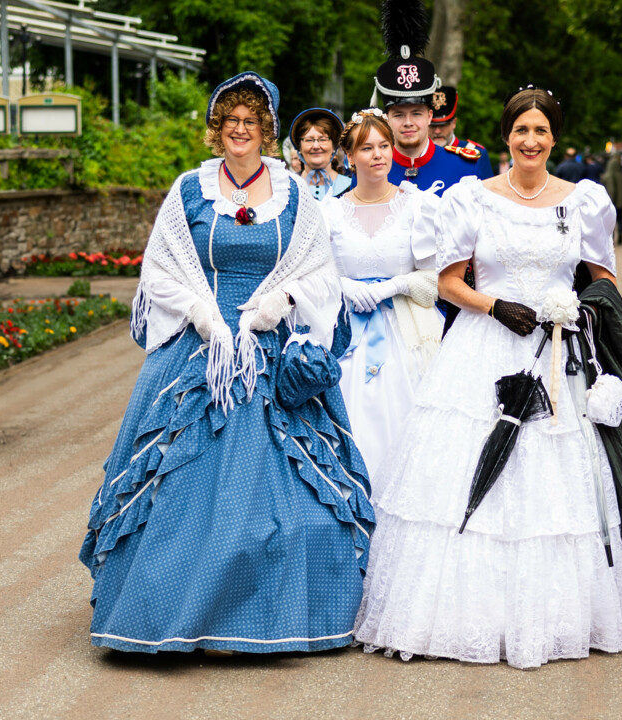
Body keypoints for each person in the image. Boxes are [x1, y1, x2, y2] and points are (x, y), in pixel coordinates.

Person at [354, 87, 622, 669]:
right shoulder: (474, 198)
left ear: (553, 138)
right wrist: (493, 306)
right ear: (506, 136)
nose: (530, 141)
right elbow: (448, 282)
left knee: (562, 481)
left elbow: (601, 281)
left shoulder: (584, 202)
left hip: (557, 353)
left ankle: (562, 612)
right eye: (521, 130)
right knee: (463, 475)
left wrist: (576, 312)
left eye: (540, 131)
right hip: (482, 346)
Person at [80, 72, 373, 655]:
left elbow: (320, 271)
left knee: (286, 500)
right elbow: (160, 267)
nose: (240, 130)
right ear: (218, 130)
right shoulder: (190, 189)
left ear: (266, 130)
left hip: (267, 347)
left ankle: (269, 619)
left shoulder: (294, 195)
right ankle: (162, 614)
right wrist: (200, 311)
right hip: (199, 349)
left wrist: (282, 302)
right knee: (177, 491)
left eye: (252, 121)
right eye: (230, 121)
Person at [322, 108, 445, 472]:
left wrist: (393, 286)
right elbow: (311, 276)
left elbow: (437, 280)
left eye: (384, 146)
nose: (377, 155)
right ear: (349, 157)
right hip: (345, 336)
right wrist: (342, 285)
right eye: (366, 148)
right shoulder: (328, 212)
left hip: (405, 335)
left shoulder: (420, 206)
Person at [374, 15, 480, 195]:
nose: (408, 122)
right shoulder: (369, 169)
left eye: (416, 113)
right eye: (398, 115)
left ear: (430, 116)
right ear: (386, 118)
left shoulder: (463, 167)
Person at [429, 85, 495, 180]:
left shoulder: (476, 153)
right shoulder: (416, 153)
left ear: (454, 123)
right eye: (432, 125)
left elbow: (488, 192)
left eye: (443, 125)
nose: (437, 131)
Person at [291, 107, 352, 200]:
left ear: (334, 146)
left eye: (323, 139)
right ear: (299, 147)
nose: (316, 146)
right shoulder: (288, 187)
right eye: (309, 140)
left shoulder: (352, 186)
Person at [601, 152, 622, 245]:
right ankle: (621, 232)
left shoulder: (606, 176)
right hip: (621, 203)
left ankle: (611, 237)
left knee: (609, 221)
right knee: (620, 218)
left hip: (609, 203)